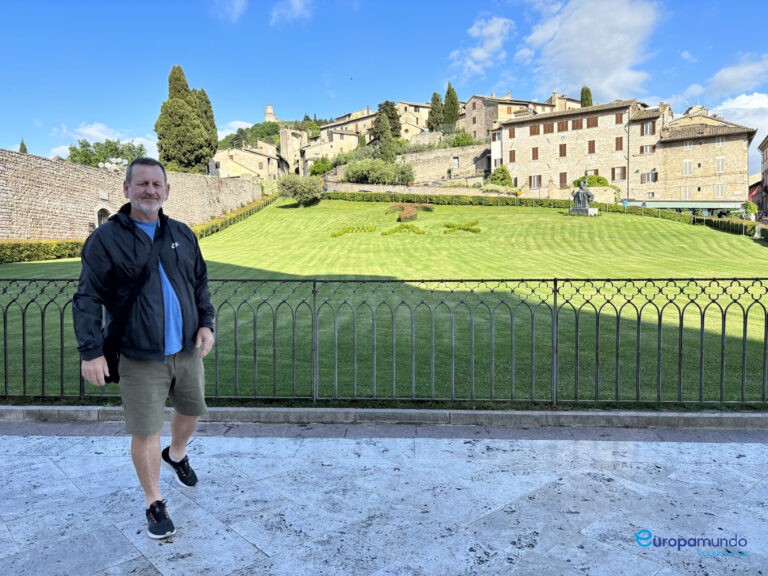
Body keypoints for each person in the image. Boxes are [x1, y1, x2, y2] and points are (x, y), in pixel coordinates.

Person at [73, 157, 215, 539]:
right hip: (138, 354)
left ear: (167, 191)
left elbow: (200, 283)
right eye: (142, 184)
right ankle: (154, 501)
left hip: (186, 349)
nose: (150, 190)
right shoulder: (106, 239)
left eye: (157, 185)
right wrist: (90, 351)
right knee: (146, 429)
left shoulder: (183, 234)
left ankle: (178, 454)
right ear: (127, 189)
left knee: (191, 410)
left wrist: (207, 323)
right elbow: (87, 297)